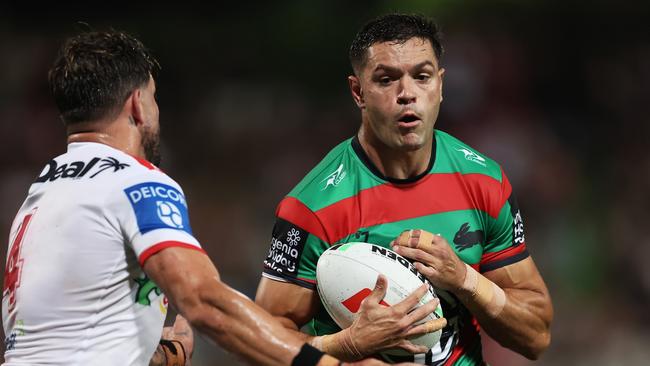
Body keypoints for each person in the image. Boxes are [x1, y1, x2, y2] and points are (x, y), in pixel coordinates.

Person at [0, 29, 395, 366]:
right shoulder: (135, 182)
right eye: (154, 98)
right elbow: (207, 303)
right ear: (138, 104)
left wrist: (164, 354)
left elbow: (63, 342)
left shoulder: (40, 194)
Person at [255, 13, 553, 365]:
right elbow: (260, 345)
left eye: (422, 77)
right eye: (386, 80)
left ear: (440, 86)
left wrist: (464, 279)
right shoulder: (312, 207)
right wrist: (348, 343)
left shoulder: (483, 181)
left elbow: (536, 336)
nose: (407, 94)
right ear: (358, 92)